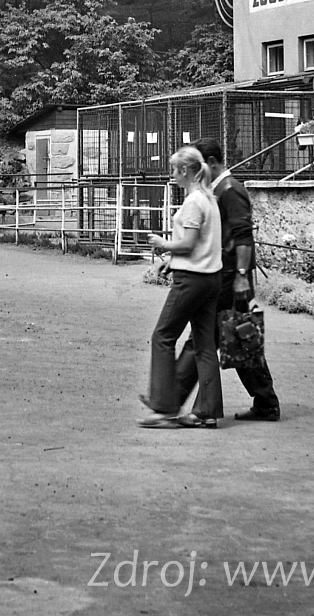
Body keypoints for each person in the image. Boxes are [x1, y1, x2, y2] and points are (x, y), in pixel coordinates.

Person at [175, 138, 281, 422]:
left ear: (210, 164)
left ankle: (171, 398)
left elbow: (244, 236)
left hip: (230, 278)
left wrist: (242, 276)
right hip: (225, 276)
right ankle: (266, 402)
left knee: (205, 339)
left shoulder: (230, 190)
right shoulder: (218, 190)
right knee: (238, 339)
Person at [138, 145, 224, 429]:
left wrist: (163, 245)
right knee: (204, 345)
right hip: (212, 278)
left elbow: (187, 245)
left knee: (162, 335)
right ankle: (207, 410)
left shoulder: (193, 202)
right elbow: (200, 244)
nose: (172, 175)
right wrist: (171, 259)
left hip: (191, 280)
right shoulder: (210, 199)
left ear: (185, 171)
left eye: (174, 170)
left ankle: (164, 407)